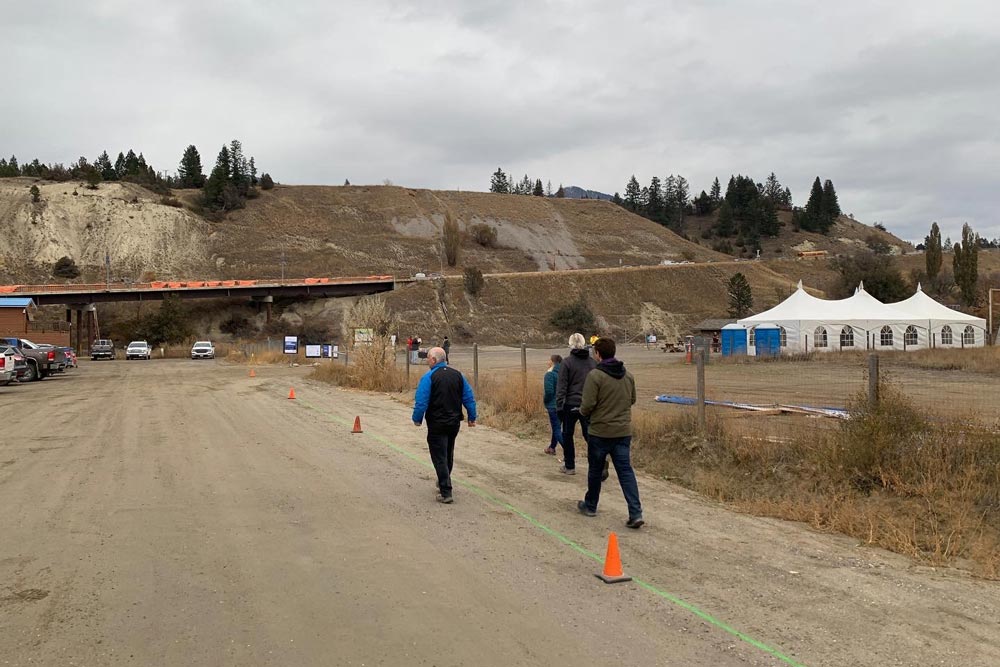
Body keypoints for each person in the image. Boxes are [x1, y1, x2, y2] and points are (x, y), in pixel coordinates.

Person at [576, 337, 643, 529]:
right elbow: (632, 399)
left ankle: (591, 505)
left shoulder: (595, 376)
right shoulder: (628, 375)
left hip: (600, 431)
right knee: (625, 471)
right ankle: (635, 512)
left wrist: (583, 413)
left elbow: (587, 404)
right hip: (622, 432)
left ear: (598, 354)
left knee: (595, 470)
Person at [412, 346, 477, 504]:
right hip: (454, 422)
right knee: (448, 452)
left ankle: (446, 491)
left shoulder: (429, 377)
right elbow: (468, 397)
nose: (427, 361)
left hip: (436, 422)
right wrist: (472, 416)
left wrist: (417, 418)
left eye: (428, 358)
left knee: (439, 455)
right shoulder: (458, 375)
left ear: (434, 360)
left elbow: (421, 400)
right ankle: (444, 478)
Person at [555, 333, 595, 475]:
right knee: (589, 435)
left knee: (567, 434)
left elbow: (562, 386)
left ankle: (570, 465)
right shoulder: (592, 363)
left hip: (570, 403)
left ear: (570, 345)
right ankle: (597, 464)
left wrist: (559, 406)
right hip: (588, 404)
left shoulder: (567, 362)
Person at [543, 354, 563, 455]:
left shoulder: (550, 374)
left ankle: (568, 450)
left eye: (549, 360)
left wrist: (546, 401)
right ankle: (552, 447)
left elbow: (549, 392)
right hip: (563, 404)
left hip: (553, 405)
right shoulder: (564, 373)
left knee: (556, 429)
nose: (547, 362)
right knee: (557, 427)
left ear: (552, 362)